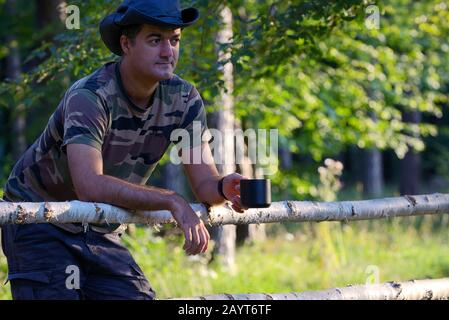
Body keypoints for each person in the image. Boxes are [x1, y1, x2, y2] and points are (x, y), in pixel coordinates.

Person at [0, 0, 247, 300]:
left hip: (99, 227)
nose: (168, 52)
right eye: (155, 40)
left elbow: (205, 185)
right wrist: (170, 200)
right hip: (41, 219)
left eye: (175, 40)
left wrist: (225, 188)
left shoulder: (185, 99)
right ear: (126, 43)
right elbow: (89, 183)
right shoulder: (90, 96)